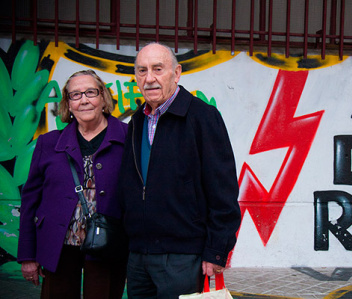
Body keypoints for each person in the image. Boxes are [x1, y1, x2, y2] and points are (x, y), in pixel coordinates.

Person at [118, 42, 241, 298]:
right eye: (142, 71)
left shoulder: (202, 117)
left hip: (182, 257)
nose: (149, 78)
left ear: (176, 73)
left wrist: (216, 250)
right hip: (140, 256)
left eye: (158, 69)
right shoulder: (137, 120)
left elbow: (223, 191)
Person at [17, 69, 128, 298]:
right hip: (58, 245)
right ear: (68, 103)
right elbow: (30, 201)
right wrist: (27, 255)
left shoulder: (128, 138)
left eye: (90, 92)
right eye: (75, 95)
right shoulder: (48, 143)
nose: (84, 100)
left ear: (103, 97)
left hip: (108, 243)